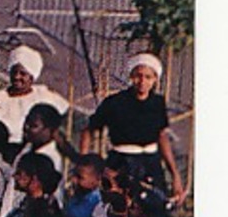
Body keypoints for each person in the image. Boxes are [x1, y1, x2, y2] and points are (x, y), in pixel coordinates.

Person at [79, 53, 185, 204]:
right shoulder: (115, 102)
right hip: (121, 163)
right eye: (138, 76)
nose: (142, 81)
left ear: (155, 80)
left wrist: (175, 175)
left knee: (153, 208)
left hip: (151, 165)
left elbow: (162, 136)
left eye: (148, 77)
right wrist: (84, 165)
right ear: (131, 76)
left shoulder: (157, 103)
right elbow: (89, 130)